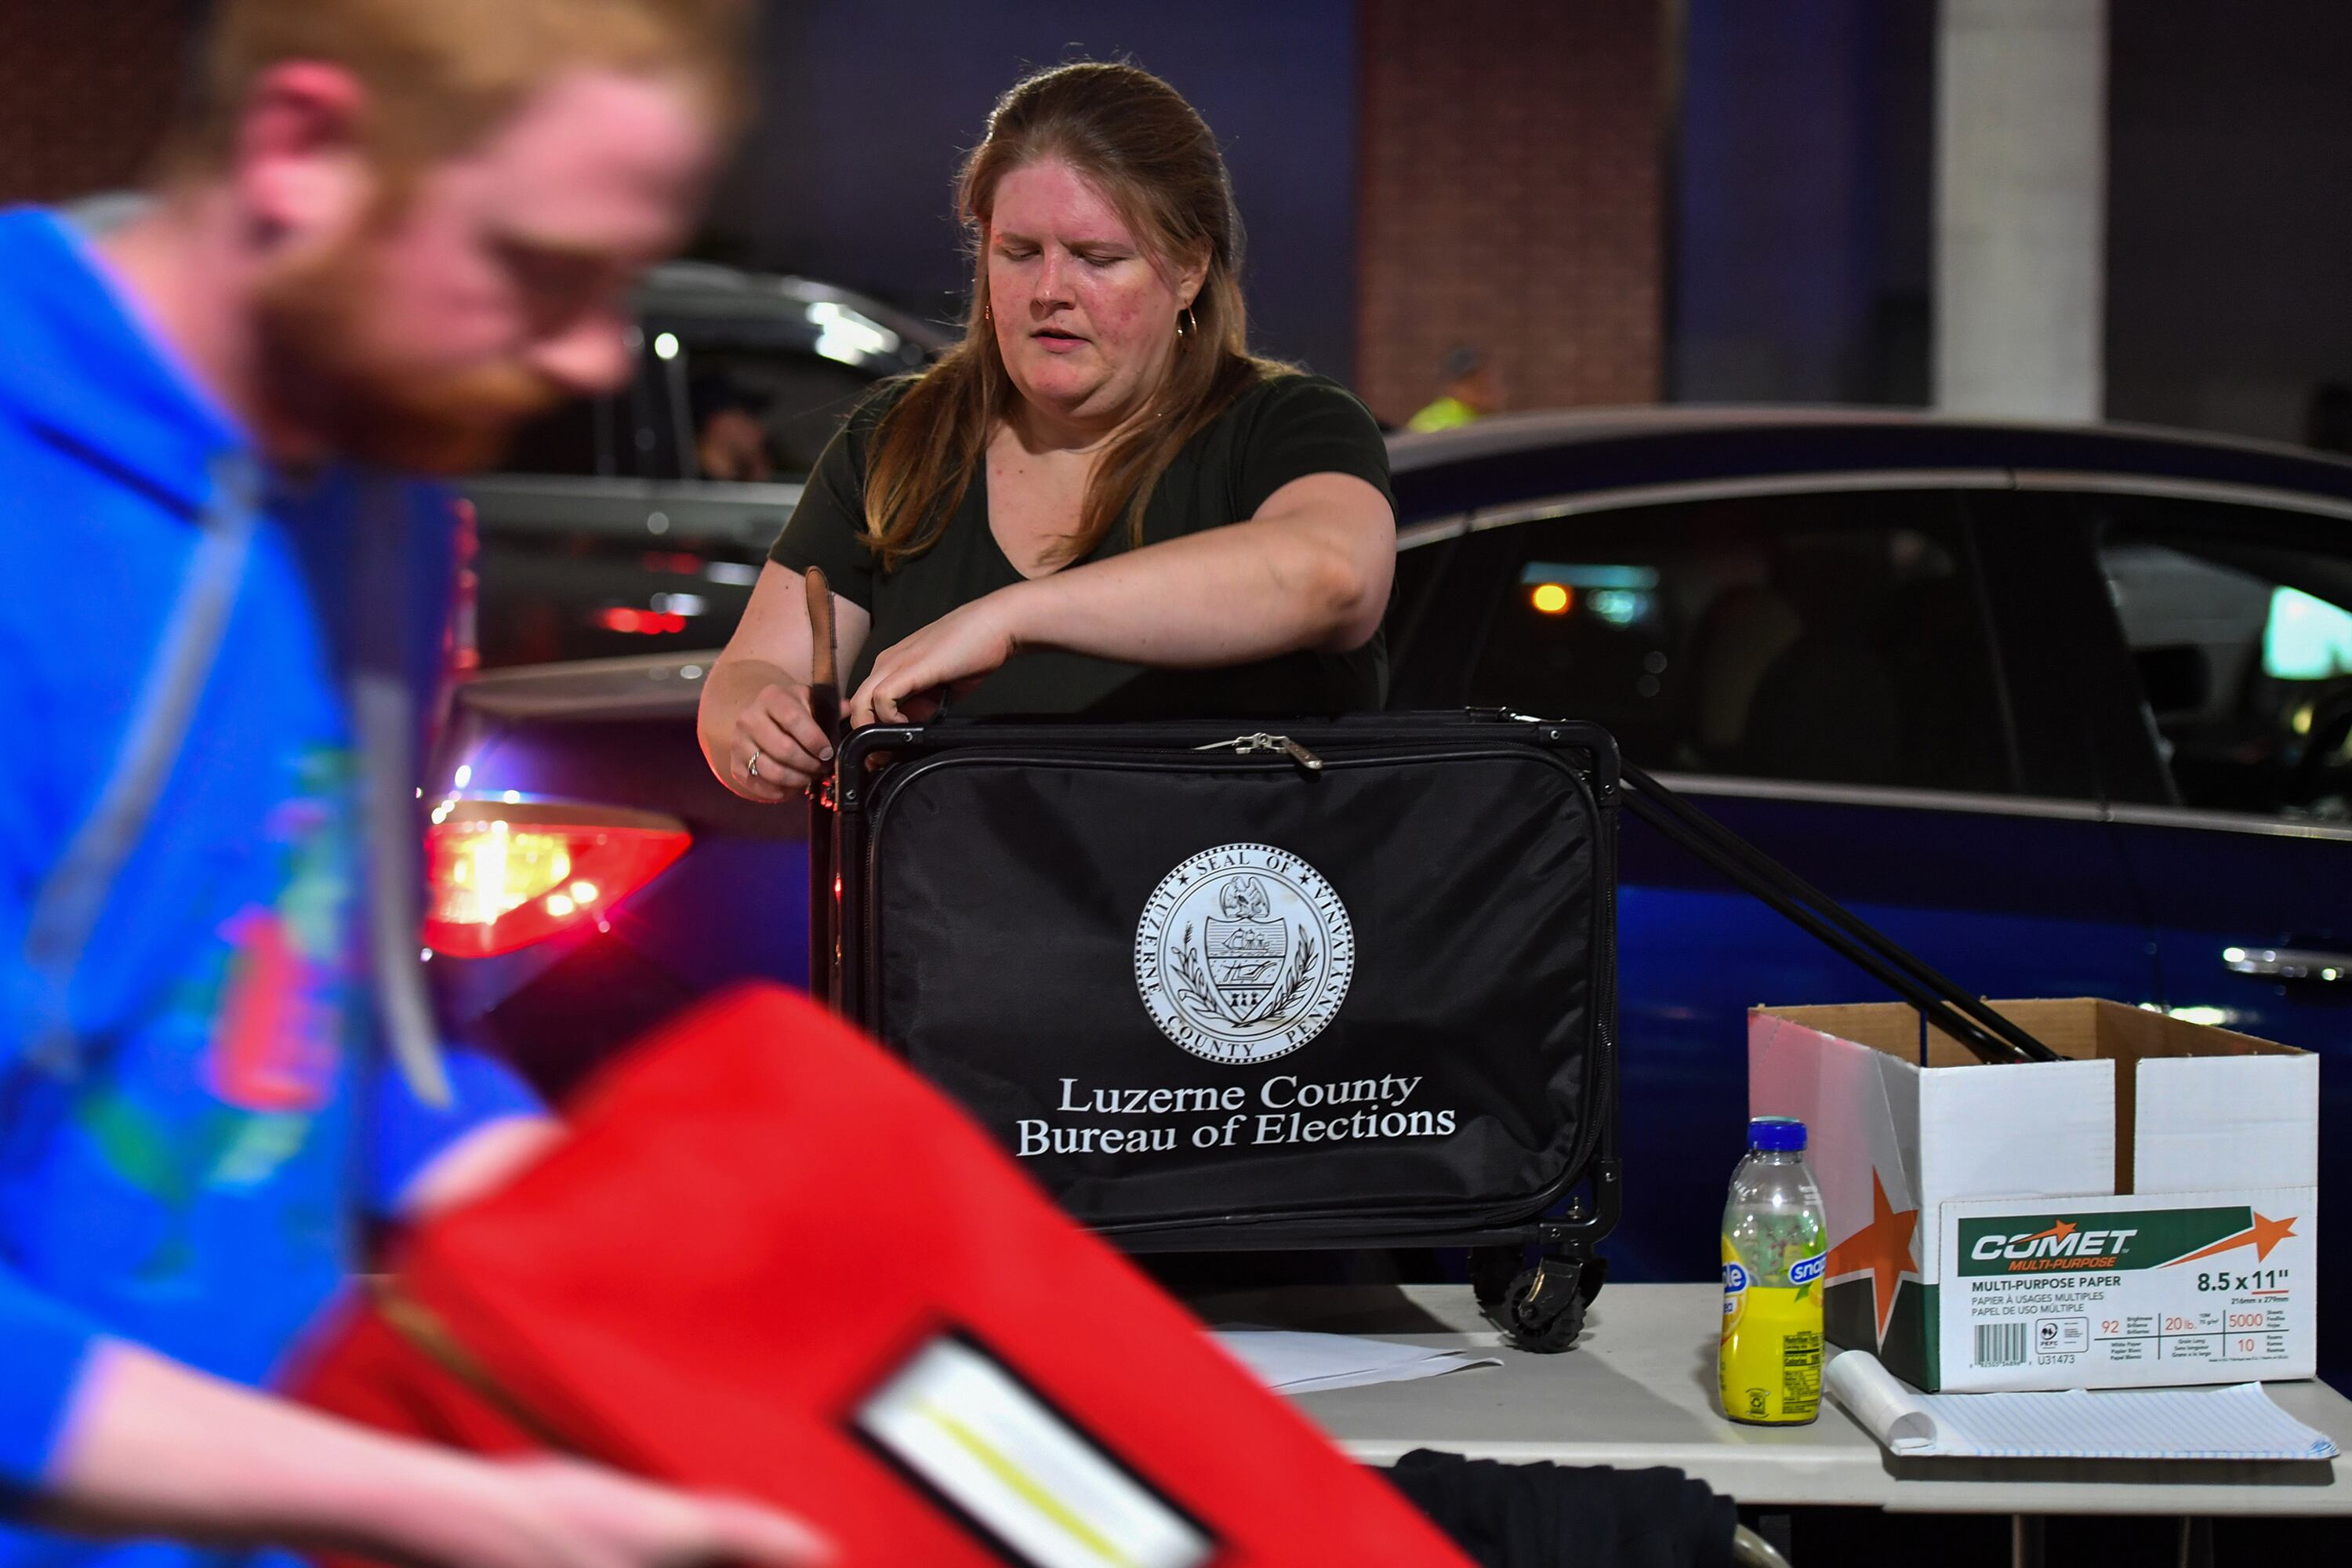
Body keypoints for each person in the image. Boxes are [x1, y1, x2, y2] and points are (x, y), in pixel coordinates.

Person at [0, 4, 824, 1567]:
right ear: (301, 149)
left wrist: (658, 1261)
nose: (592, 354)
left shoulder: (379, 499)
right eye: (540, 267)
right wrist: (441, 1506)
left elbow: (346, 1031)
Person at [698, 61, 1396, 801]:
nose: (1049, 291)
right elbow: (745, 680)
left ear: (1190, 269)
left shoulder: (1287, 425)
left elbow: (1334, 578)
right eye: (1020, 252)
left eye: (1098, 259)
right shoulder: (898, 439)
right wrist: (758, 726)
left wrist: (1010, 620)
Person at [1405, 345, 1505, 434]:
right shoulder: (1441, 425)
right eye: (1473, 382)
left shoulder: (1488, 421)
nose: (1484, 383)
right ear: (1453, 388)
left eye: (1489, 379)